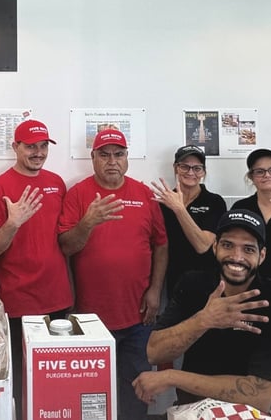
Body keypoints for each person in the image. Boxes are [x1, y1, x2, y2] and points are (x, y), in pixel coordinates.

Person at [133, 209, 271, 414]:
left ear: (261, 256)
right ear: (216, 246)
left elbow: (261, 396)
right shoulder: (193, 284)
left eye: (248, 249)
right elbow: (154, 353)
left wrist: (173, 377)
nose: (237, 257)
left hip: (254, 414)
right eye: (228, 245)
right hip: (194, 410)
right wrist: (203, 320)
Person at [58, 129, 168, 420]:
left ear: (126, 158)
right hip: (90, 318)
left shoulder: (143, 193)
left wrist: (155, 290)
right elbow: (66, 246)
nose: (112, 161)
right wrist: (88, 223)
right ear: (92, 158)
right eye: (104, 155)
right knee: (90, 395)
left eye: (118, 154)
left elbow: (161, 244)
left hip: (138, 316)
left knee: (136, 390)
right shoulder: (78, 194)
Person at [0, 119, 73, 419]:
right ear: (15, 147)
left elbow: (65, 238)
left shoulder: (57, 183)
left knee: (56, 382)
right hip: (19, 301)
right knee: (21, 381)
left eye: (43, 146)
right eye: (31, 146)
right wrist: (13, 223)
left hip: (58, 299)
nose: (38, 152)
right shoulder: (0, 186)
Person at [151, 145, 226, 298]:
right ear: (176, 168)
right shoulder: (163, 202)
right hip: (173, 283)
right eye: (184, 166)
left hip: (208, 284)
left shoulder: (214, 201)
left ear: (203, 172)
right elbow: (159, 248)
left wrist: (179, 209)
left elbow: (203, 245)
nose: (190, 172)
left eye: (197, 168)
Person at [232, 148, 271, 296]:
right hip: (250, 288)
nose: (267, 175)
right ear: (251, 177)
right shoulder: (241, 207)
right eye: (259, 171)